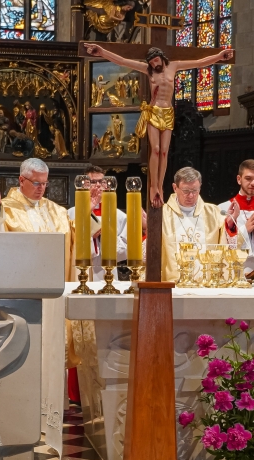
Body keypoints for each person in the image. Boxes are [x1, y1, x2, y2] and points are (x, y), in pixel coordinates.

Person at [84, 44, 233, 205]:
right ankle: (153, 186)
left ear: (162, 57)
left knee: (164, 152)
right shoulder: (148, 70)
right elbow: (122, 61)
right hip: (154, 111)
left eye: (156, 60)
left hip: (168, 113)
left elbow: (198, 62)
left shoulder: (174, 66)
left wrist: (219, 56)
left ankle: (160, 185)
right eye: (152, 62)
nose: (155, 64)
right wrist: (101, 52)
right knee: (155, 150)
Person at [0, 158, 75, 281]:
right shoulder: (5, 208)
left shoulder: (57, 211)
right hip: (22, 283)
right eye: (36, 183)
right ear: (21, 180)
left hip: (57, 281)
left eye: (45, 183)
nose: (41, 188)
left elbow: (75, 237)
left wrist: (88, 211)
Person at [161, 167, 230, 282]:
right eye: (186, 191)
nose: (191, 196)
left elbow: (229, 243)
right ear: (175, 188)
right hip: (173, 284)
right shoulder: (162, 214)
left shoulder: (213, 212)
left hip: (206, 284)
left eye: (195, 191)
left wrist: (231, 225)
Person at [67, 165, 128, 279]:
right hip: (80, 270)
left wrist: (105, 234)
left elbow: (125, 250)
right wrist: (90, 236)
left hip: (106, 272)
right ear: (85, 184)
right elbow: (68, 246)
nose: (99, 185)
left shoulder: (118, 215)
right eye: (93, 182)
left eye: (102, 181)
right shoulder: (71, 213)